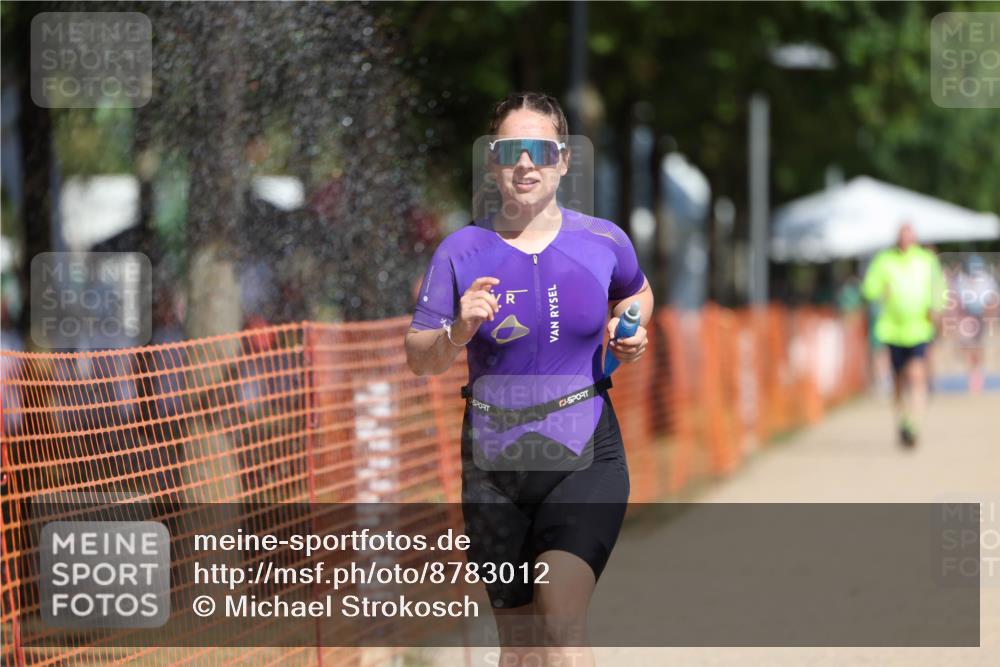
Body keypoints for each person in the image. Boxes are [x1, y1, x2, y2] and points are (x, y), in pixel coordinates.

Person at [404, 92, 653, 666]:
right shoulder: (460, 251)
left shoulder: (604, 240)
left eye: (539, 150)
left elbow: (636, 292)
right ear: (492, 161)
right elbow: (419, 356)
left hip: (584, 454)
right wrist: (457, 331)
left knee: (561, 621)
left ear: (563, 160)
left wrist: (630, 329)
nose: (525, 163)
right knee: (519, 651)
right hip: (494, 470)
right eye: (510, 149)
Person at [861, 222, 944, 447]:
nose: (906, 240)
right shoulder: (884, 260)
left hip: (919, 328)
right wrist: (880, 289)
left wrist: (936, 309)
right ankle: (902, 418)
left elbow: (938, 288)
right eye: (902, 236)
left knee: (917, 375)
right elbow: (869, 289)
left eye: (910, 236)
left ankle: (914, 424)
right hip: (893, 330)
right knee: (898, 380)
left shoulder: (926, 260)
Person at [953, 254, 998, 393]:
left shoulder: (986, 280)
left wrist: (989, 318)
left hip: (981, 316)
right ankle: (972, 372)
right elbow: (958, 302)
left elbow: (993, 300)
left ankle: (977, 373)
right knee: (968, 347)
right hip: (967, 317)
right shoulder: (962, 281)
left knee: (978, 347)